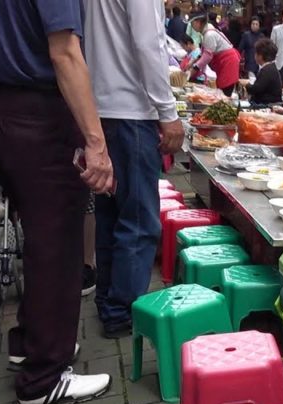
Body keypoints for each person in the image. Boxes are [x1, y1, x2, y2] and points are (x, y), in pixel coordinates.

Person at [0, 0, 115, 404]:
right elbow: (64, 52)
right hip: (40, 111)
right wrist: (96, 143)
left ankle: (31, 341)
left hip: (5, 106)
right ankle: (44, 377)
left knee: (39, 237)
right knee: (57, 244)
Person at [85, 0, 185, 339]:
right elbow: (148, 43)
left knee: (111, 215)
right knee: (139, 220)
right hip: (132, 110)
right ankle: (122, 310)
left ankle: (108, 301)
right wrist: (168, 111)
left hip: (99, 109)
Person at [189, 12, 241, 96]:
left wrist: (195, 68)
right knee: (221, 90)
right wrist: (193, 61)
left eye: (192, 23)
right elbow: (205, 53)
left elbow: (207, 56)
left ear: (198, 22)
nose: (191, 26)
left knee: (224, 93)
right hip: (226, 62)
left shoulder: (209, 34)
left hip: (228, 63)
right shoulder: (207, 31)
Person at [241, 38, 282, 106]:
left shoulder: (267, 70)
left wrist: (246, 84)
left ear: (260, 56)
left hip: (267, 104)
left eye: (256, 53)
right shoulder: (270, 67)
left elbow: (255, 89)